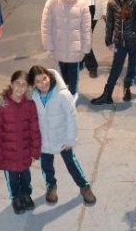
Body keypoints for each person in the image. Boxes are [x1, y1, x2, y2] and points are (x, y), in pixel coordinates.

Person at [27, 66, 97, 206]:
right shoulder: (34, 96)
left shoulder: (62, 94)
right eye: (38, 81)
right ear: (33, 84)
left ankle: (84, 186)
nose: (43, 83)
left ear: (49, 76)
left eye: (44, 78)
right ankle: (51, 186)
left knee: (71, 163)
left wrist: (70, 139)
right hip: (44, 139)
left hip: (62, 137)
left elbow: (71, 118)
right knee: (46, 166)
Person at [92, 0, 136, 106]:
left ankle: (127, 87)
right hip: (119, 42)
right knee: (116, 67)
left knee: (132, 66)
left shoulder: (135, 1)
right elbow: (110, 23)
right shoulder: (112, 3)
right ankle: (107, 94)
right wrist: (108, 41)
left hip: (134, 42)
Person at [0, 71, 42, 215]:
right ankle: (16, 198)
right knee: (12, 179)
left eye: (24, 85)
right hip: (8, 156)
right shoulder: (1, 106)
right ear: (11, 84)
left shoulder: (30, 105)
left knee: (26, 177)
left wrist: (35, 151)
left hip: (25, 153)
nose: (20, 87)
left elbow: (34, 129)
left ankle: (26, 194)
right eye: (17, 83)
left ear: (28, 87)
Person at [41, 0, 92, 98]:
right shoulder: (53, 1)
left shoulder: (82, 3)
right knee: (62, 73)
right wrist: (48, 44)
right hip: (59, 46)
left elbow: (86, 28)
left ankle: (73, 94)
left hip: (75, 48)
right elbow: (46, 25)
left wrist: (86, 46)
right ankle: (63, 92)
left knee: (74, 73)